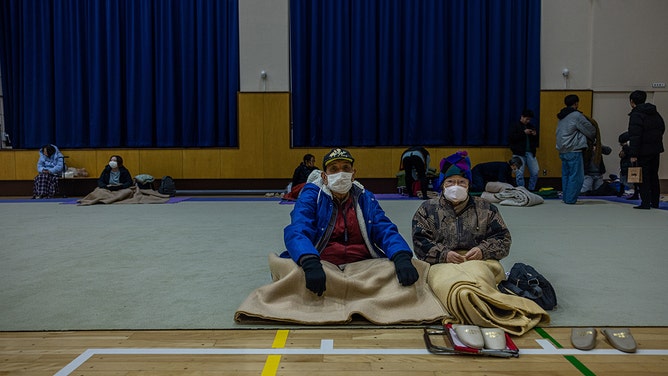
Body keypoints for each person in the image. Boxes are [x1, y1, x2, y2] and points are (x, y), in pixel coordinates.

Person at [283, 147, 419, 296]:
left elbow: (384, 229)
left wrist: (401, 255)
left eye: (345, 168)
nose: (340, 174)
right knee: (288, 271)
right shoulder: (311, 196)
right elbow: (298, 229)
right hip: (322, 262)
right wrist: (309, 261)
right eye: (333, 169)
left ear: (353, 174)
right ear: (324, 176)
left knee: (413, 270)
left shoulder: (365, 197)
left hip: (363, 264)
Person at [412, 151, 511, 265]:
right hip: (441, 263)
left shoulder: (486, 208)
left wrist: (483, 250)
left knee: (484, 280)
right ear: (442, 184)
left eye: (462, 182)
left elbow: (503, 239)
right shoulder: (427, 209)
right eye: (450, 182)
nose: (456, 187)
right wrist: (443, 254)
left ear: (469, 185)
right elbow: (419, 241)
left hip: (479, 261)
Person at [627, 90, 665, 209]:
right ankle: (655, 202)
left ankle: (645, 203)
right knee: (654, 176)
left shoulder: (636, 114)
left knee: (643, 177)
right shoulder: (654, 113)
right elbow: (662, 128)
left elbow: (635, 135)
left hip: (643, 151)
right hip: (656, 149)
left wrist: (633, 153)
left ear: (632, 102)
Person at [555, 94, 596, 204]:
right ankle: (571, 199)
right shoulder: (576, 116)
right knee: (576, 176)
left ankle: (566, 198)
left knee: (566, 175)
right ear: (576, 103)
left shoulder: (561, 117)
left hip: (562, 150)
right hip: (573, 150)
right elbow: (591, 130)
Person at [508, 109, 540, 191]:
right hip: (518, 153)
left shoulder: (531, 126)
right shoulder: (514, 125)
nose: (528, 121)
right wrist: (523, 133)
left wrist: (535, 135)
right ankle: (521, 190)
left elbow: (535, 141)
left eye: (529, 119)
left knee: (535, 171)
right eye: (527, 119)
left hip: (530, 152)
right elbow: (512, 138)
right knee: (519, 173)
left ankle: (531, 189)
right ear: (522, 117)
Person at [617, 131, 639, 199]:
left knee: (632, 180)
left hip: (629, 166)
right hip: (626, 165)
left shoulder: (628, 147)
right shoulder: (628, 147)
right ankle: (623, 191)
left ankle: (634, 193)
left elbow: (622, 155)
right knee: (623, 179)